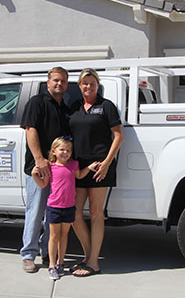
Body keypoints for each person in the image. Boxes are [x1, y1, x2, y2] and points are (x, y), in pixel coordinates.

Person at [69, 68, 124, 277]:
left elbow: (118, 137)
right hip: (80, 167)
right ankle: (88, 256)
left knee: (95, 213)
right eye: (85, 83)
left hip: (101, 166)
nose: (88, 87)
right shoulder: (75, 107)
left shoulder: (106, 106)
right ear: (79, 85)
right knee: (74, 214)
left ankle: (94, 262)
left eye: (92, 83)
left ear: (97, 85)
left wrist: (107, 163)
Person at [20, 67, 71, 273]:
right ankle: (28, 255)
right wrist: (39, 160)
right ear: (48, 82)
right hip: (39, 168)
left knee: (51, 212)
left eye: (63, 81)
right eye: (56, 80)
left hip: (59, 172)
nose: (60, 84)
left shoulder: (64, 108)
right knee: (35, 211)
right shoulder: (37, 102)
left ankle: (46, 250)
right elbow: (30, 130)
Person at [31, 137, 98, 280]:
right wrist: (34, 175)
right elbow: (43, 185)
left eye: (68, 150)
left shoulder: (73, 165)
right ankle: (52, 264)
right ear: (54, 151)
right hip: (54, 207)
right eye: (62, 150)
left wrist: (89, 168)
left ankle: (61, 263)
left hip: (69, 208)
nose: (65, 153)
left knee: (64, 236)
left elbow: (79, 175)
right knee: (54, 237)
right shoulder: (50, 167)